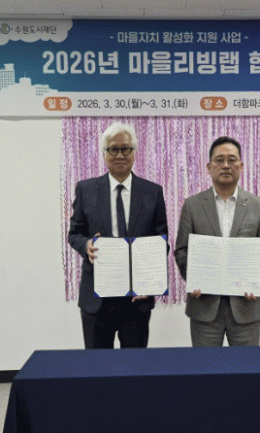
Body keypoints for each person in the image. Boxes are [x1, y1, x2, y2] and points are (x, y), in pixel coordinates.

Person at [68, 122, 168, 349]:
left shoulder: (152, 192)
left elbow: (161, 242)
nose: (120, 155)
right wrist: (86, 245)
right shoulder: (86, 189)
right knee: (96, 365)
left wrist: (149, 282)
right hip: (97, 299)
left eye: (126, 149)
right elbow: (75, 233)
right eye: (113, 149)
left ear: (134, 152)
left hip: (136, 299)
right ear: (104, 154)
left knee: (134, 366)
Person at [174, 136, 260, 347]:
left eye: (232, 159)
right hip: (204, 306)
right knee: (206, 366)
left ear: (241, 166)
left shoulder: (258, 206)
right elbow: (182, 250)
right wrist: (193, 277)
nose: (226, 165)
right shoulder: (192, 205)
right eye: (219, 160)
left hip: (246, 307)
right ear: (209, 167)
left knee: (246, 366)